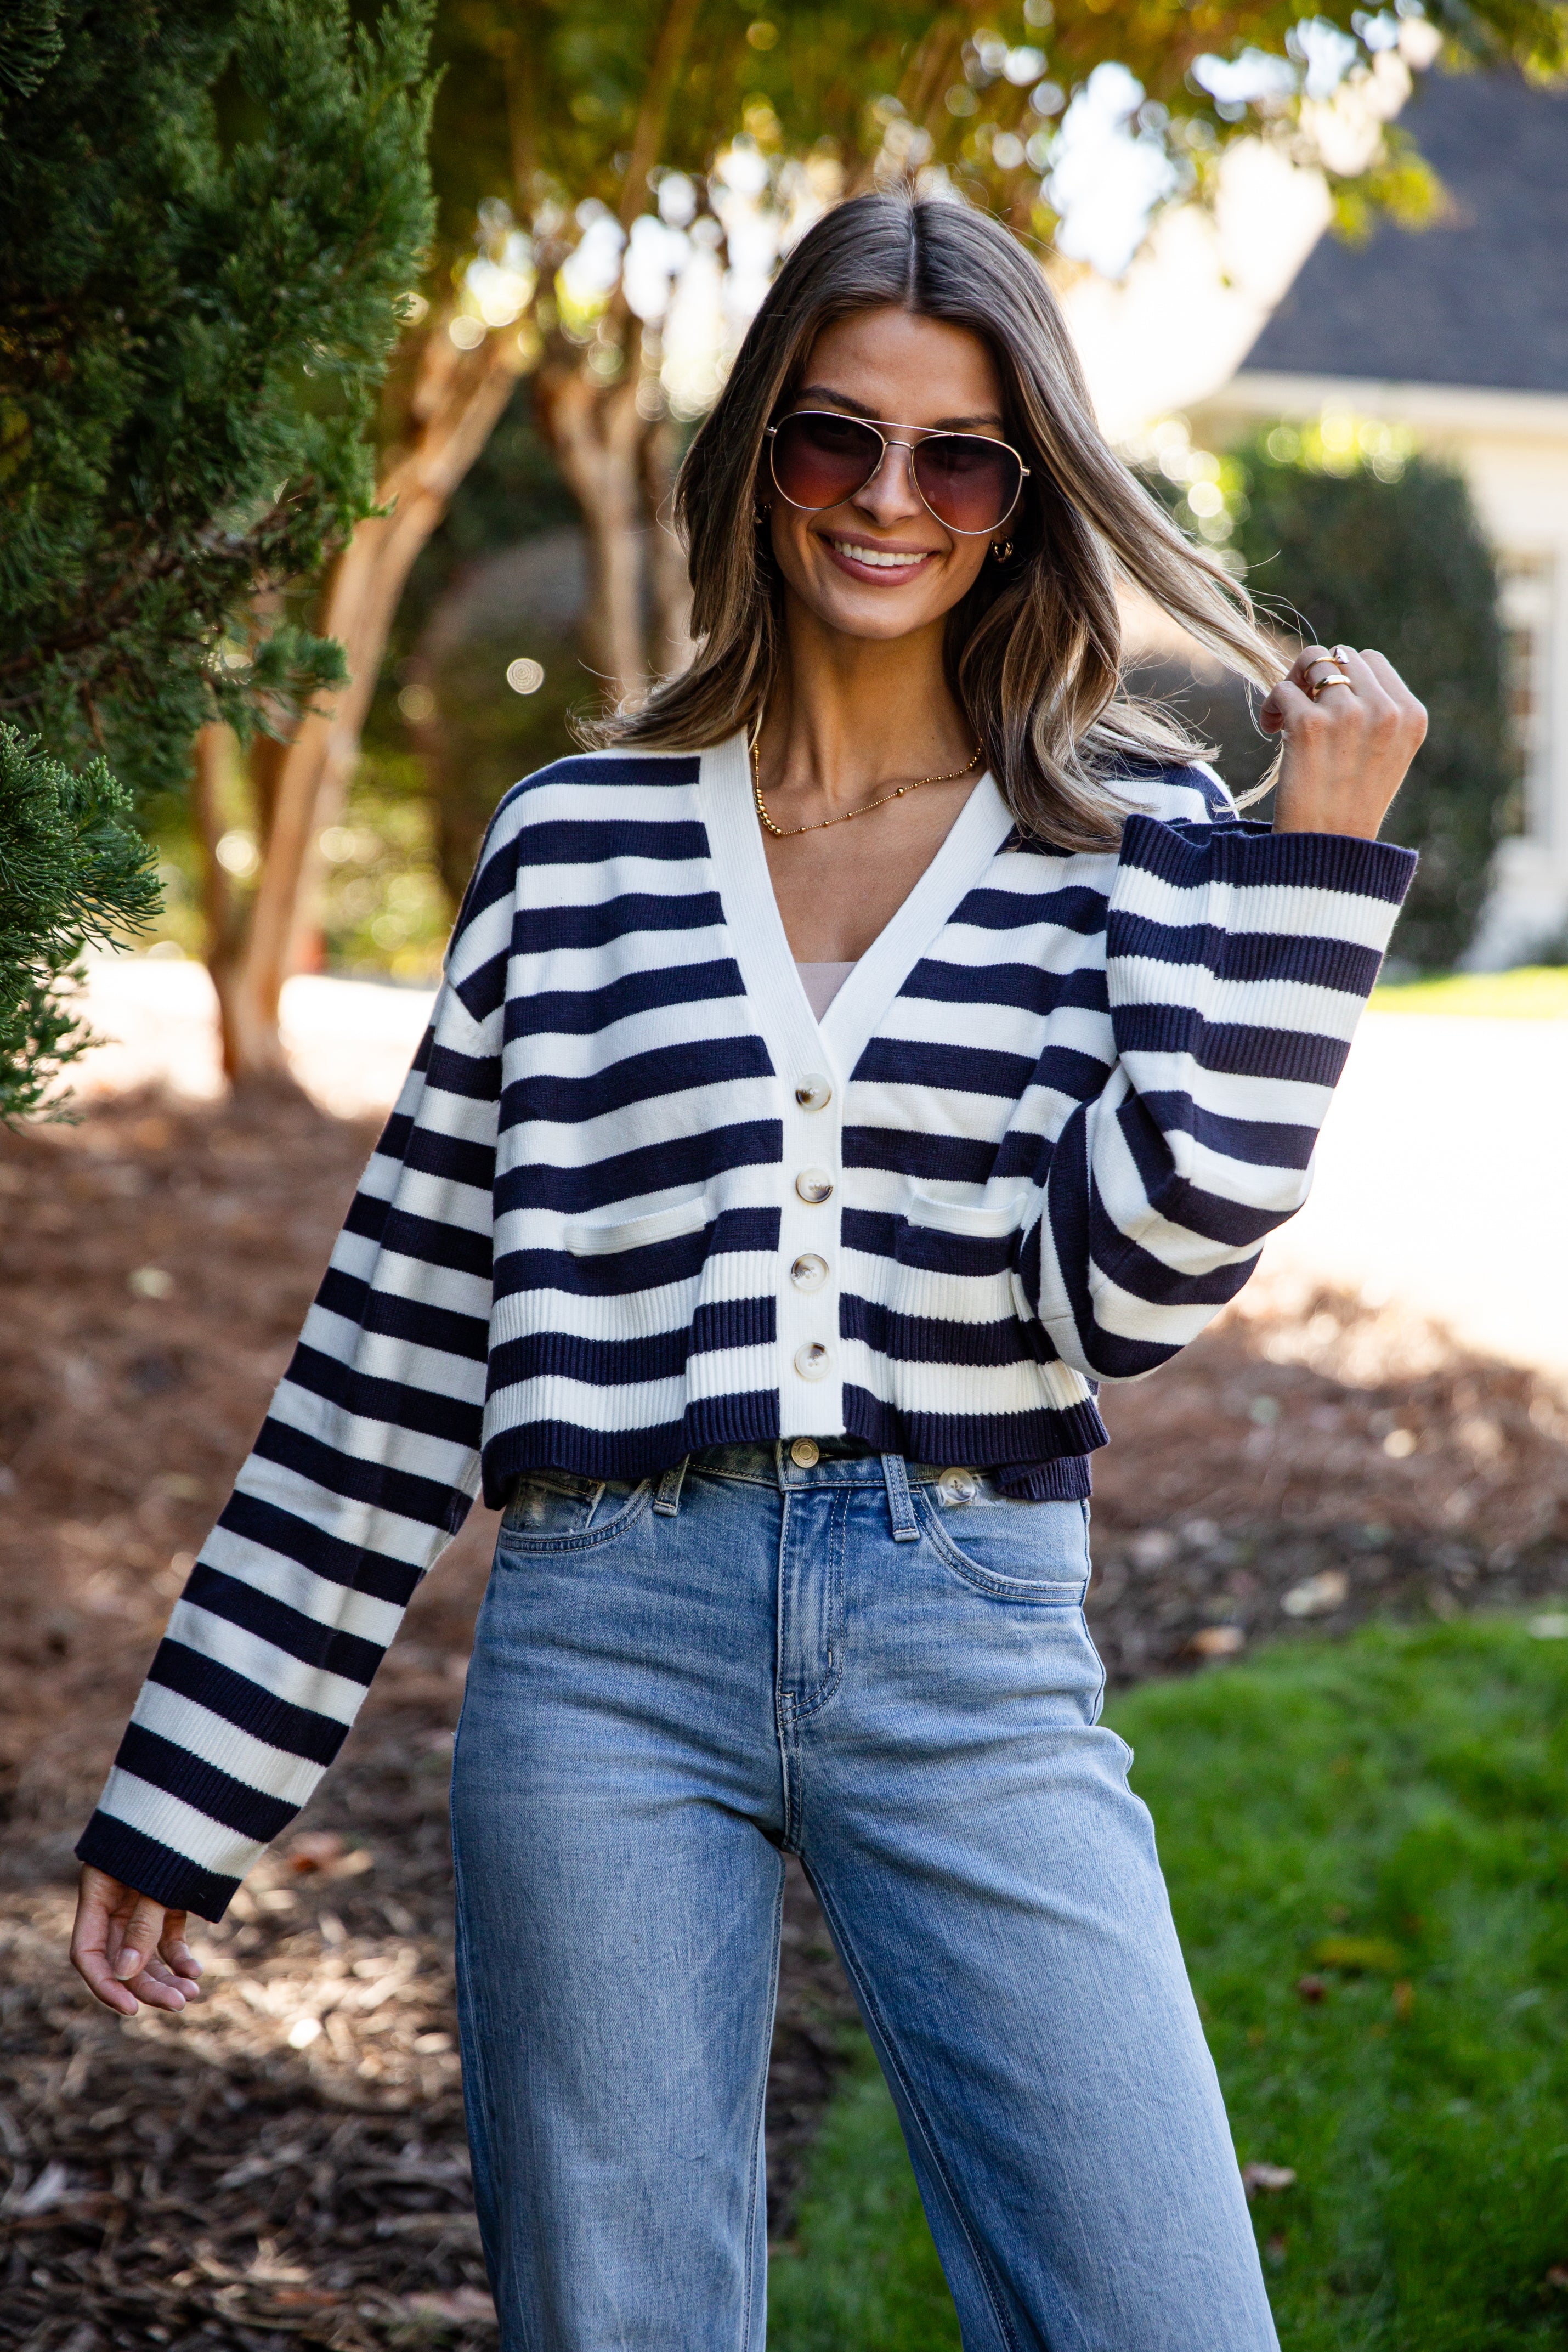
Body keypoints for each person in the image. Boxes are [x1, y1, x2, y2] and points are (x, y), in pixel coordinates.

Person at [69, 194, 1424, 2350]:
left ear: (1020, 492)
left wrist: (1315, 888)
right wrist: (202, 1768)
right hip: (600, 1644)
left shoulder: (1137, 838)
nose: (889, 500)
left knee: (1159, 2312)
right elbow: (403, 1339)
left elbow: (1134, 1285)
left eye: (955, 456)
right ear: (755, 458)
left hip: (967, 1627)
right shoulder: (577, 840)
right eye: (832, 438)